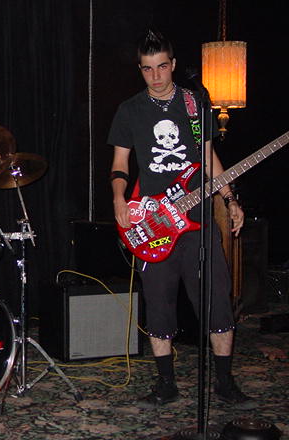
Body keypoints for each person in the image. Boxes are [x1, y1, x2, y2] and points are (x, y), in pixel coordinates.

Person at [107, 29, 254, 409]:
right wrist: (119, 198)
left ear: (172, 64)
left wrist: (230, 198)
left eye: (161, 67)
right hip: (153, 221)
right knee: (158, 304)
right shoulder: (129, 110)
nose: (155, 76)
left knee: (217, 302)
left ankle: (224, 383)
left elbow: (208, 158)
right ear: (140, 69)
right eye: (147, 69)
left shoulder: (195, 104)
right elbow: (120, 162)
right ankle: (165, 383)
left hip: (197, 223)